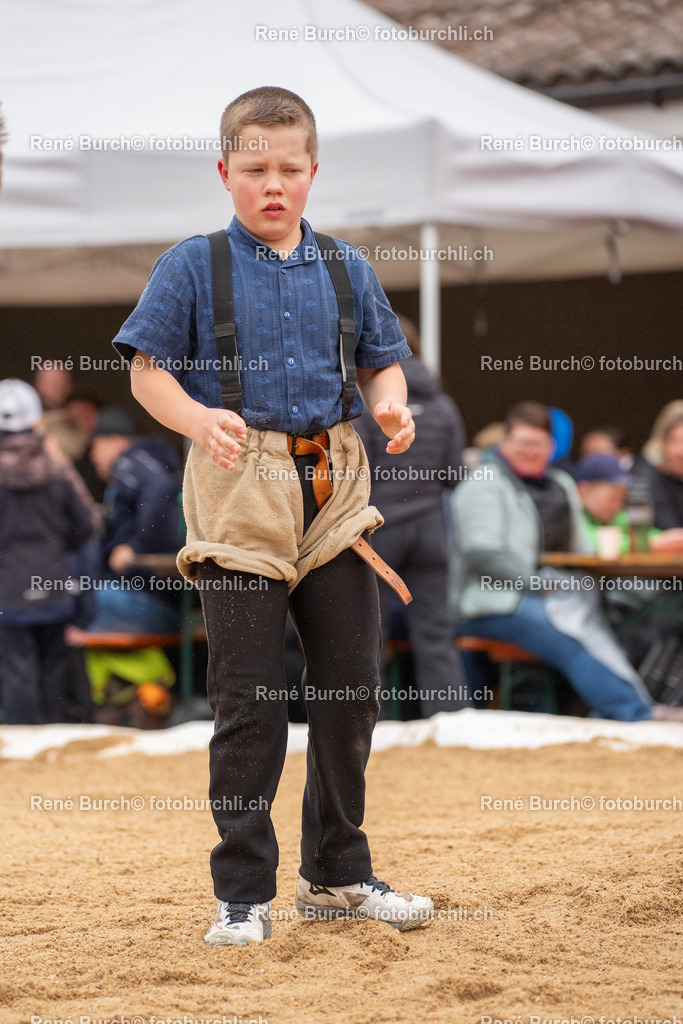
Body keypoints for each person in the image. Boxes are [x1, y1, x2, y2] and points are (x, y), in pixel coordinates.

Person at [112, 86, 434, 946]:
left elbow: (382, 365)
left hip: (332, 483)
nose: (273, 185)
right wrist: (195, 417)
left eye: (290, 169)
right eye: (254, 169)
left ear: (312, 171)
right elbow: (147, 371)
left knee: (351, 690)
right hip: (235, 483)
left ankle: (336, 875)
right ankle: (242, 896)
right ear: (225, 172)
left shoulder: (345, 265)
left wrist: (392, 408)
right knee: (249, 700)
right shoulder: (190, 264)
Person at [449, 400, 683, 723]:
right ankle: (634, 713)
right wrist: (538, 584)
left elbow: (582, 547)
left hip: (547, 592)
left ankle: (631, 705)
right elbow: (483, 553)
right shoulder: (484, 484)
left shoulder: (559, 485)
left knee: (604, 617)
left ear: (551, 447)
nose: (531, 451)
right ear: (505, 443)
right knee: (570, 635)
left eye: (539, 444)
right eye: (523, 443)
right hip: (491, 601)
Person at [355, 315, 469, 717]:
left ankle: (373, 723)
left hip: (381, 531)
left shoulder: (369, 405)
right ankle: (451, 719)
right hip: (432, 531)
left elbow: (358, 471)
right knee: (436, 632)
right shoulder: (443, 405)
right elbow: (457, 474)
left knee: (372, 634)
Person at [0, 380, 95, 724]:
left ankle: (23, 757)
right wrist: (55, 547)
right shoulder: (57, 468)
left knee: (17, 674)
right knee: (53, 672)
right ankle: (54, 752)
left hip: (8, 593)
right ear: (37, 421)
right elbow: (86, 525)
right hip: (54, 587)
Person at [86, 406, 183, 634]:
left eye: (96, 446)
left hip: (152, 602)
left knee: (66, 604)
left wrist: (134, 547)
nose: (92, 456)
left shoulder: (132, 461)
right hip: (160, 601)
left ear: (115, 442)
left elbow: (159, 487)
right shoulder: (150, 464)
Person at [575, 453, 683, 555]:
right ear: (582, 491)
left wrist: (673, 538)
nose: (617, 506)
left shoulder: (616, 517)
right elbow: (591, 543)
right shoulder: (572, 516)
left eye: (621, 500)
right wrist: (649, 546)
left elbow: (649, 535)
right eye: (611, 499)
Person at [638, 402, 683, 530]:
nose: (680, 451)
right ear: (661, 442)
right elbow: (670, 530)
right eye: (674, 441)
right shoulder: (647, 476)